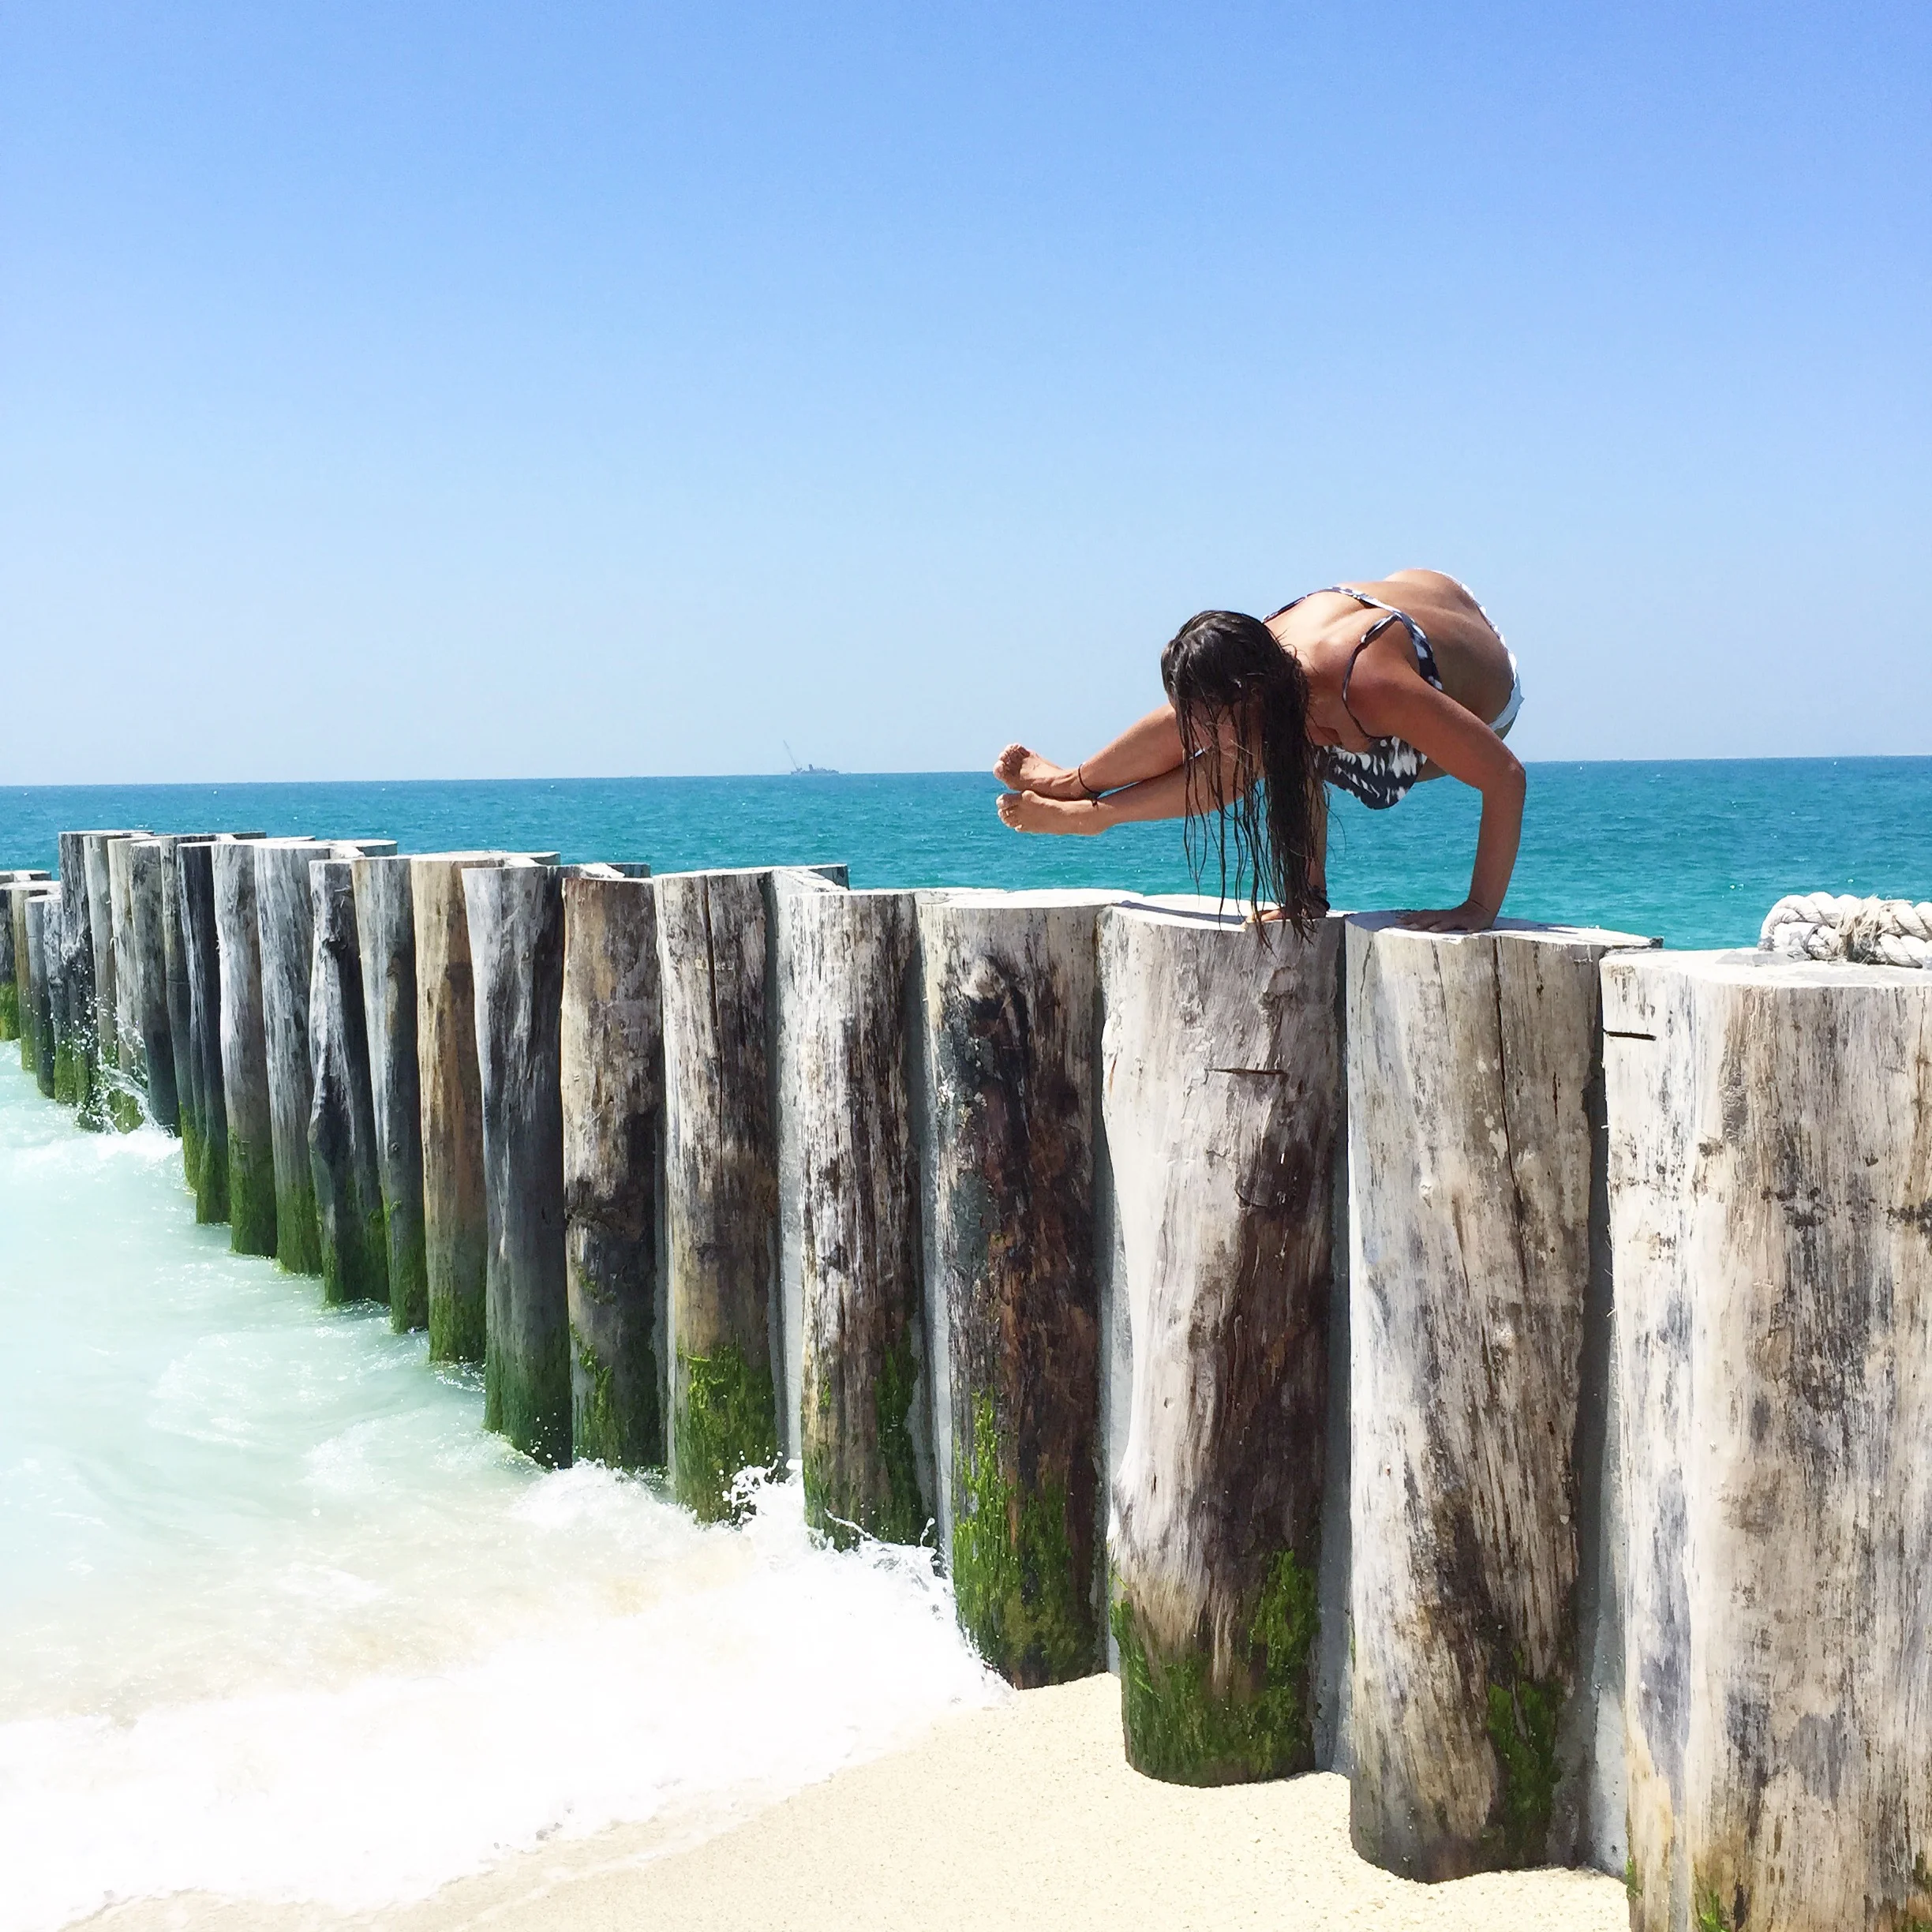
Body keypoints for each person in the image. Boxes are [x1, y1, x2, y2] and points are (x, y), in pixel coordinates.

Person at [993, 569, 1526, 933]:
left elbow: (1505, 777)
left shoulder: (1369, 686)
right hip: (1398, 597)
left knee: (1249, 755)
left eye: (1214, 728)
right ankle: (1076, 786)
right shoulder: (1256, 658)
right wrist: (1307, 897)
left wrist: (1478, 908)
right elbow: (1286, 761)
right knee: (1220, 722)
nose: (1202, 746)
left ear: (1260, 693)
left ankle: (1093, 817)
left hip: (1481, 684)